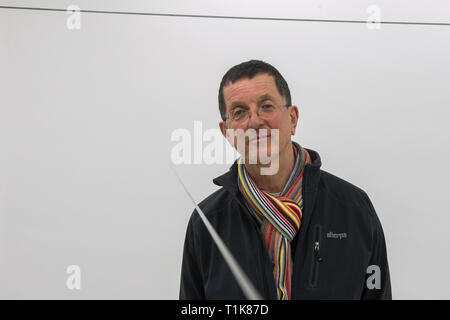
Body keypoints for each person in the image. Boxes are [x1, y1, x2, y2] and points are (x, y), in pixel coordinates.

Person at [179, 59, 391, 300]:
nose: (254, 121)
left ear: (292, 119)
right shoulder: (207, 223)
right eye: (239, 112)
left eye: (267, 106)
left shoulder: (353, 208)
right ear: (227, 132)